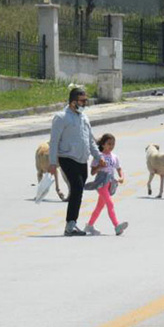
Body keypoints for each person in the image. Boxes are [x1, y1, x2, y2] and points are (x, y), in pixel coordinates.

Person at [49, 87, 105, 237]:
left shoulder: (84, 118)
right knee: (77, 187)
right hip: (67, 157)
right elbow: (54, 141)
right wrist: (52, 163)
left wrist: (99, 157)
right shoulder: (61, 117)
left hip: (82, 159)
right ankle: (70, 224)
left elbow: (90, 140)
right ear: (73, 102)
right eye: (82, 101)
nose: (85, 103)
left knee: (78, 191)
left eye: (86, 101)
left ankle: (72, 223)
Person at [83, 133, 128, 236]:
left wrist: (121, 177)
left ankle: (89, 225)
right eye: (109, 144)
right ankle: (117, 226)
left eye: (113, 144)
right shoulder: (99, 156)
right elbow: (93, 172)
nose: (111, 146)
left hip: (110, 183)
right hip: (101, 183)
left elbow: (119, 168)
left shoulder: (114, 157)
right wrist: (99, 166)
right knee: (110, 204)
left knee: (99, 207)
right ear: (103, 144)